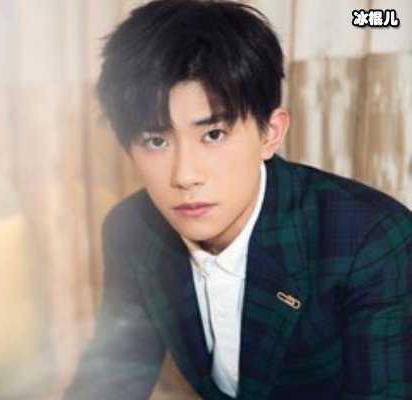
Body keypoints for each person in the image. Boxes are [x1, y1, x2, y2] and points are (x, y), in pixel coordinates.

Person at [64, 1, 412, 399]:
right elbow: (113, 374)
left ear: (270, 132)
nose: (185, 176)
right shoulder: (132, 229)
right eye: (156, 141)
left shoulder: (371, 239)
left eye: (213, 135)